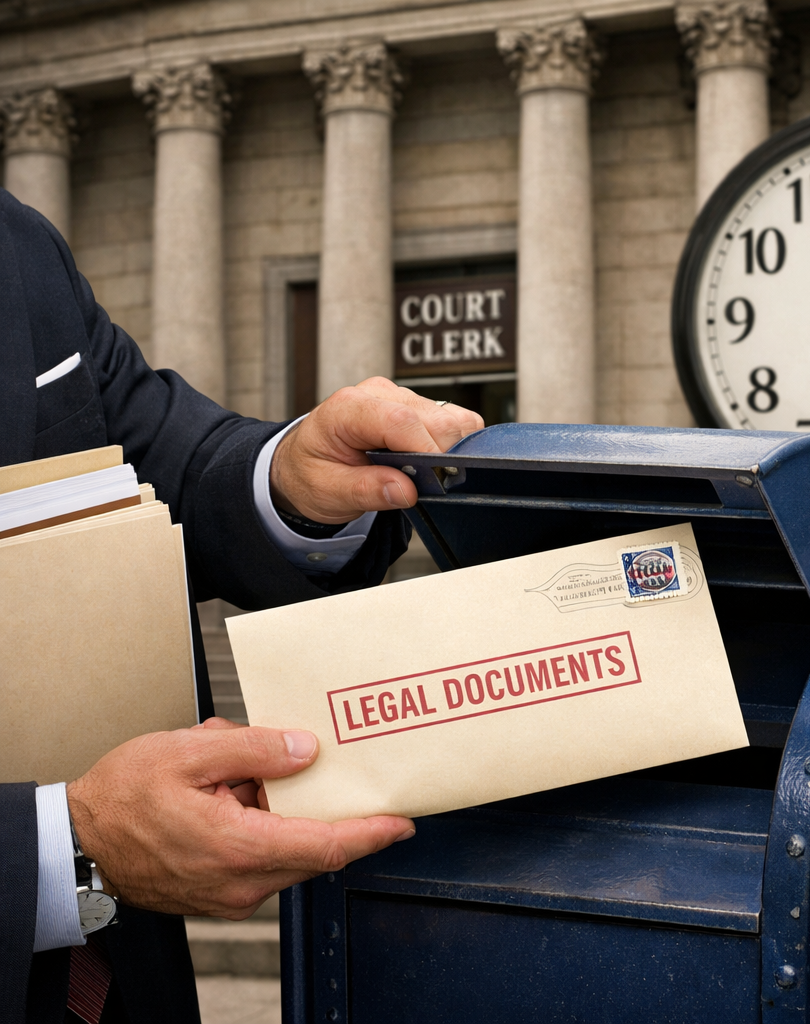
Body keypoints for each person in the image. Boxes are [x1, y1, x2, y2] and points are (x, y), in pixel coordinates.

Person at [0, 187, 483, 1024]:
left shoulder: (17, 244)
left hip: (128, 985)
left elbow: (166, 463)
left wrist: (291, 476)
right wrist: (63, 847)